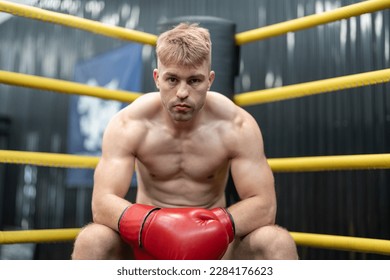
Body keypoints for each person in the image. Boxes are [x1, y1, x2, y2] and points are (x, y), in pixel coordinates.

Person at [72, 22, 298, 260]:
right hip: (146, 246)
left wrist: (217, 225)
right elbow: (101, 203)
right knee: (92, 239)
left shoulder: (236, 125)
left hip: (214, 249)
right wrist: (152, 225)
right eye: (172, 80)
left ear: (209, 81)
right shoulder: (130, 124)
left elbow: (265, 206)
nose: (182, 92)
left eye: (194, 81)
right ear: (157, 78)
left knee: (276, 242)